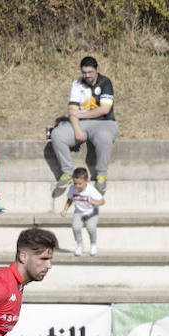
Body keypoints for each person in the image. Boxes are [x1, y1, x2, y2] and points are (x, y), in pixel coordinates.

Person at [49, 56, 117, 193]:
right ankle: (67, 173)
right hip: (81, 123)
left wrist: (80, 115)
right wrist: (76, 128)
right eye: (84, 72)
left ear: (97, 70)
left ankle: (101, 174)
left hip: (104, 123)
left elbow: (105, 109)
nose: (87, 76)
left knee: (105, 138)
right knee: (57, 134)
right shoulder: (77, 84)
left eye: (90, 72)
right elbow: (72, 111)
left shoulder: (105, 83)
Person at [60, 166, 105, 257]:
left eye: (80, 184)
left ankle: (93, 244)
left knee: (91, 228)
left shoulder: (91, 190)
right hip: (79, 212)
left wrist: (95, 203)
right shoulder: (72, 188)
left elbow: (102, 201)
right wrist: (65, 210)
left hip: (91, 212)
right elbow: (70, 199)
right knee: (75, 227)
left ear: (86, 181)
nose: (77, 186)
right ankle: (80, 245)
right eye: (75, 183)